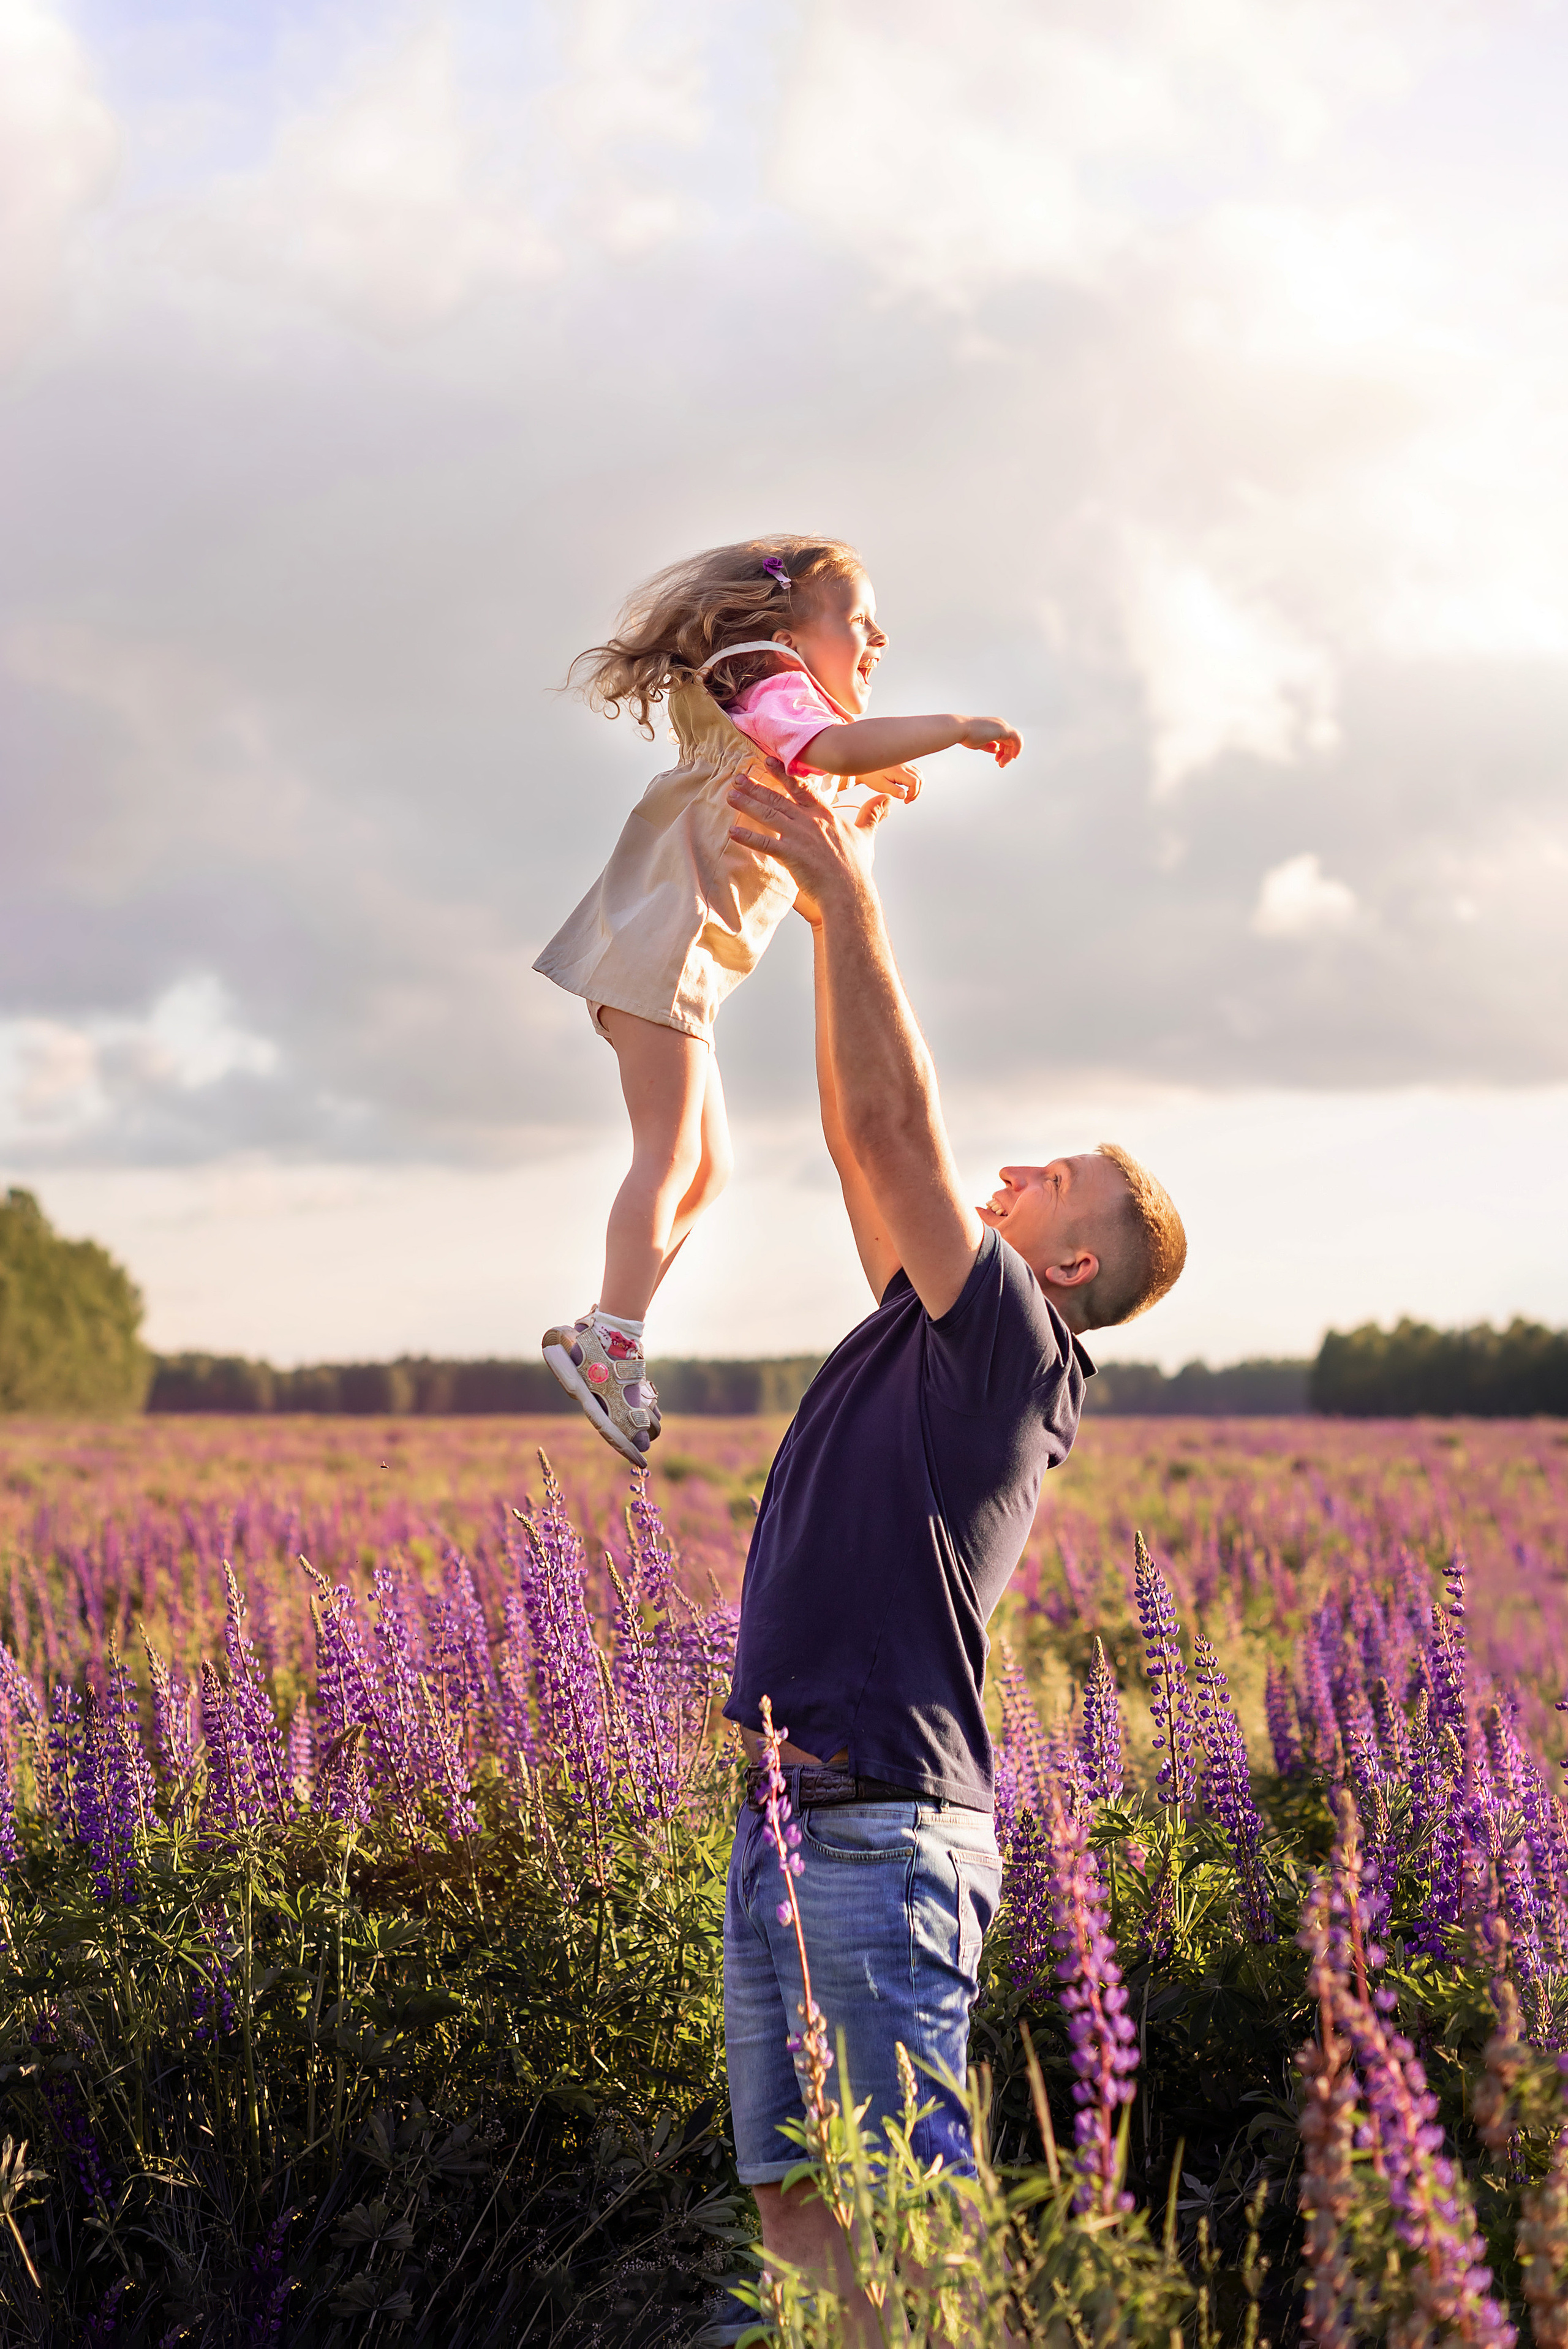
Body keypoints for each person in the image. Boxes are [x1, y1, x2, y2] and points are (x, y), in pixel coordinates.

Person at [715, 763, 1186, 2338]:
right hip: (793, 1818)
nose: (1020, 1164)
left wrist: (851, 894)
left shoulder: (1009, 1339)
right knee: (794, 2195)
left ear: (1061, 1259)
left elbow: (904, 1130)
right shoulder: (932, 1325)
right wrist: (807, 917)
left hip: (883, 1834)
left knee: (914, 2207)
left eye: (1056, 1179)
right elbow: (864, 1143)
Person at [533, 535, 1022, 1466]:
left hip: (673, 965)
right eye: (859, 622)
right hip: (662, 954)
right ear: (791, 627)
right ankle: (611, 1338)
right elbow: (825, 740)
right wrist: (954, 726)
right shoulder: (765, 678)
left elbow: (814, 785)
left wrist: (857, 792)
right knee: (670, 1152)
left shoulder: (763, 707)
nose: (877, 641)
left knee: (708, 1170)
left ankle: (616, 1332)